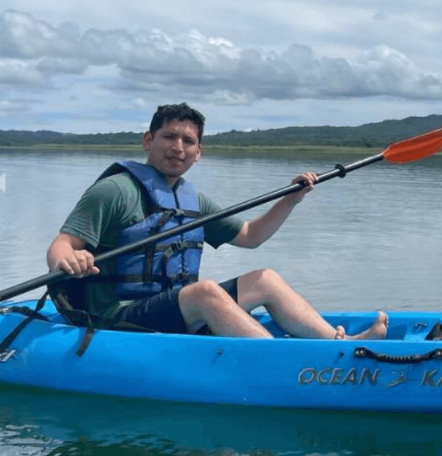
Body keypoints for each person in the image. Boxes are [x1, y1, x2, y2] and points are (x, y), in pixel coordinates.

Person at [45, 102, 388, 340]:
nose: (178, 147)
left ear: (199, 152)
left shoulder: (193, 201)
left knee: (266, 279)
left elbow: (250, 236)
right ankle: (282, 361)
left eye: (188, 141)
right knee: (205, 292)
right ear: (148, 141)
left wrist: (290, 199)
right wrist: (68, 257)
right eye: (169, 137)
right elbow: (62, 244)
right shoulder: (115, 190)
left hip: (171, 308)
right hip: (118, 316)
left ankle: (334, 342)